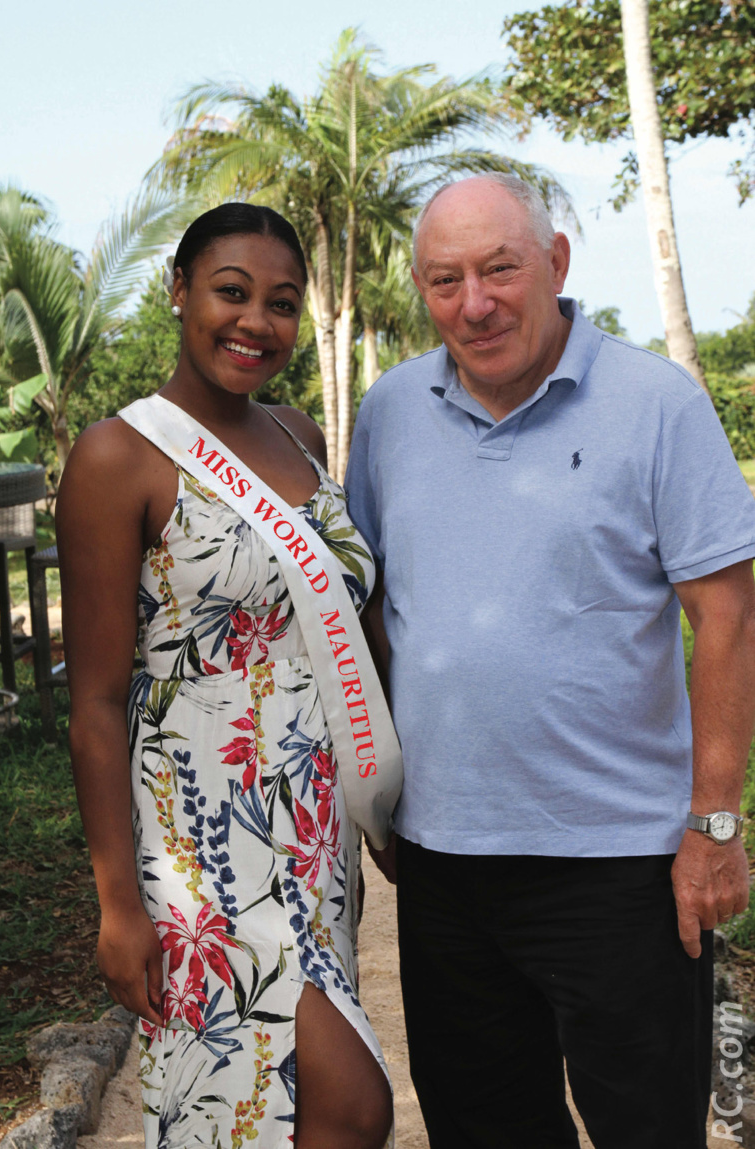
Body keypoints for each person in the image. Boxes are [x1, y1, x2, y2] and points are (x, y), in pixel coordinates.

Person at [346, 173, 755, 1149]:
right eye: (445, 280)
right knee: (484, 1127)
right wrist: (381, 794)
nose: (474, 303)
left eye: (499, 269)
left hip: (623, 868)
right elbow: (371, 613)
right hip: (443, 867)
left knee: (646, 1128)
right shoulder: (391, 412)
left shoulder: (658, 403)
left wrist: (715, 826)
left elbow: (728, 616)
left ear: (557, 263)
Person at [56, 203, 397, 1149]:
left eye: (281, 303)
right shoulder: (116, 456)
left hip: (313, 829)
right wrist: (118, 901)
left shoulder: (299, 436)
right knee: (347, 1103)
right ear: (179, 293)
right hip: (199, 836)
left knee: (264, 1109)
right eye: (232, 292)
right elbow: (91, 702)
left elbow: (348, 627)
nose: (257, 322)